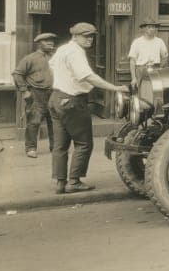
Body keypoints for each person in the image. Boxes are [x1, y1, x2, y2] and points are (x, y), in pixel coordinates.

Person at [47, 22, 129, 195]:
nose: (89, 39)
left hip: (56, 98)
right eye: (85, 36)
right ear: (74, 36)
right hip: (72, 101)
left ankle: (60, 183)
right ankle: (74, 182)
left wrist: (65, 80)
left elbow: (52, 65)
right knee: (84, 143)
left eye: (92, 36)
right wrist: (115, 88)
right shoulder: (76, 52)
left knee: (60, 144)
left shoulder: (62, 49)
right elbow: (88, 76)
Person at [11, 32, 56, 158]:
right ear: (39, 44)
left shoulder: (56, 58)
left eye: (52, 41)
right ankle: (31, 148)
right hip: (37, 94)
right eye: (47, 41)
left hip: (54, 93)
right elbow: (17, 74)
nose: (50, 43)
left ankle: (55, 147)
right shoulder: (30, 58)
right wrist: (24, 90)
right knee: (34, 121)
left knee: (55, 121)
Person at [126, 19, 168, 85]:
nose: (152, 29)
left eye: (153, 27)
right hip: (141, 70)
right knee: (141, 89)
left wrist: (159, 68)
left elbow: (165, 57)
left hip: (155, 70)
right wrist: (133, 78)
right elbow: (132, 61)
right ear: (144, 28)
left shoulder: (159, 41)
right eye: (149, 27)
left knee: (155, 89)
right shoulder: (137, 42)